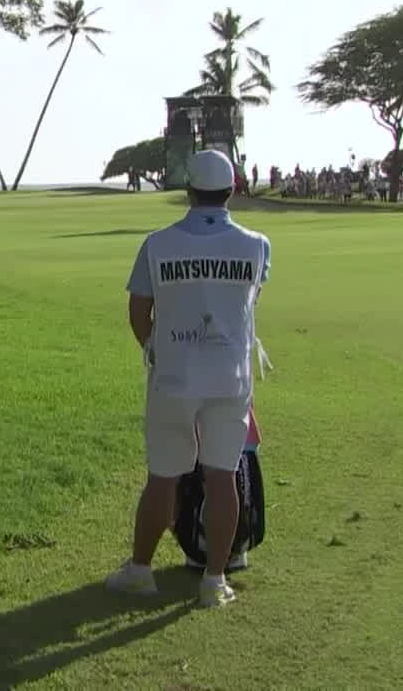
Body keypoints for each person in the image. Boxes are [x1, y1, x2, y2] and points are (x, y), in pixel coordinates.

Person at [107, 149, 271, 607]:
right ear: (232, 189)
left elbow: (140, 311)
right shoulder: (257, 245)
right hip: (230, 377)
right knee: (222, 478)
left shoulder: (157, 244)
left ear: (188, 189)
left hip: (174, 376)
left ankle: (140, 570)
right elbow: (249, 302)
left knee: (163, 478)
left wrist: (156, 350)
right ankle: (214, 581)